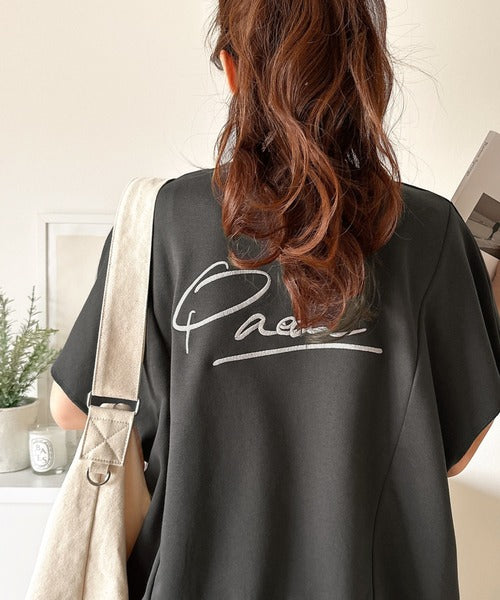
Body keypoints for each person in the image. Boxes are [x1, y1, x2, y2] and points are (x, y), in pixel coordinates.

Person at [49, 1, 500, 598]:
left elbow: (71, 410)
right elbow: (453, 456)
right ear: (367, 72)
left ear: (233, 71)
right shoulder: (432, 229)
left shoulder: (159, 224)